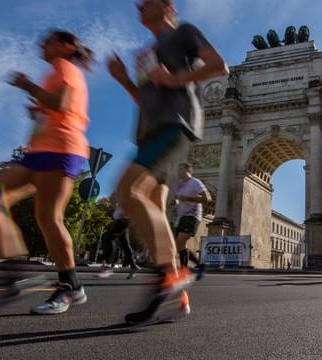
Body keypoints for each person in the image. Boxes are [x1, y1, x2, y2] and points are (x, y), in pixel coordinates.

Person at [107, 0, 228, 325]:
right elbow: (145, 96)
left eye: (146, 2)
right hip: (148, 132)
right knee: (155, 208)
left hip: (174, 125)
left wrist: (176, 80)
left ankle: (165, 278)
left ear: (166, 5)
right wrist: (121, 79)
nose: (138, 6)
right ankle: (178, 296)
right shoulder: (146, 52)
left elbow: (219, 66)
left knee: (126, 191)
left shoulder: (184, 32)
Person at [0, 30, 93, 315]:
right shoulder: (54, 71)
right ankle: (17, 270)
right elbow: (52, 109)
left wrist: (28, 86)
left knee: (50, 218)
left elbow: (60, 104)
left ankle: (70, 286)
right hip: (37, 152)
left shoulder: (67, 68)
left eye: (48, 41)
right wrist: (36, 112)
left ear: (65, 46)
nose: (42, 44)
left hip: (62, 149)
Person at [175, 162, 211, 279]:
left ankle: (183, 272)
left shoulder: (195, 182)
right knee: (180, 245)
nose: (178, 171)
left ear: (188, 170)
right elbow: (177, 198)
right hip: (181, 217)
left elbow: (208, 198)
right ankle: (200, 265)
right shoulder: (179, 184)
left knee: (180, 242)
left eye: (180, 169)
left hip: (193, 216)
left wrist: (188, 198)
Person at [97, 204, 141, 280]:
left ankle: (109, 267)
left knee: (109, 239)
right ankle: (134, 266)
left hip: (123, 220)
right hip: (124, 220)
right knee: (125, 244)